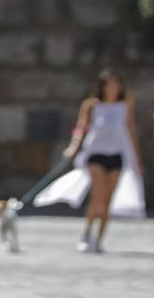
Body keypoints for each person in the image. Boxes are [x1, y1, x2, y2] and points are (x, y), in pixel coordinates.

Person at [35, 68, 145, 252]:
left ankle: (99, 238)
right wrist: (73, 146)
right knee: (98, 195)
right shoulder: (92, 105)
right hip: (96, 155)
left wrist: (137, 159)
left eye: (116, 83)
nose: (113, 87)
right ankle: (86, 233)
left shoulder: (125, 106)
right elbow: (80, 128)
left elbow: (131, 132)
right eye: (109, 84)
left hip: (116, 155)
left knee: (107, 201)